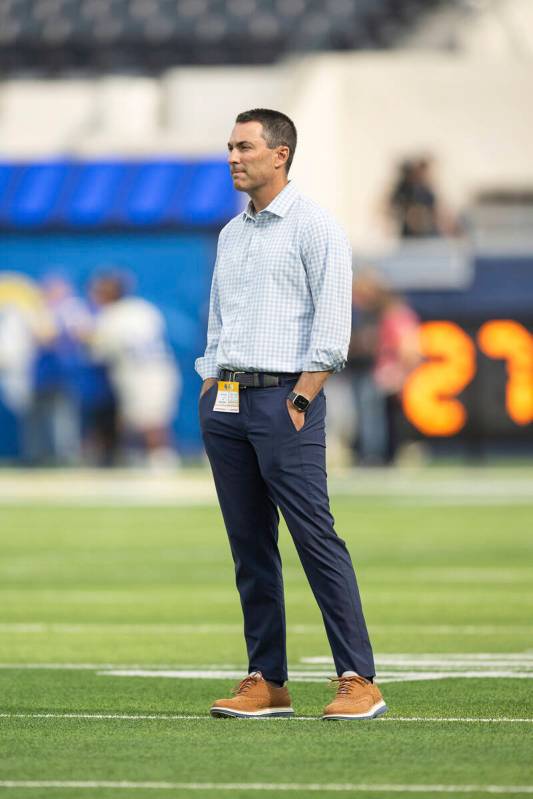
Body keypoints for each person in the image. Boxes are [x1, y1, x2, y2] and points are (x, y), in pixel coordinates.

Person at [195, 108, 386, 721]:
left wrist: (302, 397)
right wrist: (210, 384)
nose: (233, 156)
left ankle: (358, 679)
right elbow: (221, 320)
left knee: (314, 538)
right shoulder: (231, 233)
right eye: (229, 146)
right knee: (249, 545)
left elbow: (333, 327)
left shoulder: (316, 227)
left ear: (280, 154)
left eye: (244, 146)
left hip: (286, 399)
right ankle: (266, 679)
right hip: (226, 400)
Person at [89, 272, 180, 469]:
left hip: (141, 375)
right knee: (138, 421)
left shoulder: (110, 317)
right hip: (161, 369)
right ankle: (141, 458)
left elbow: (98, 353)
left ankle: (160, 462)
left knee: (151, 423)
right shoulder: (142, 308)